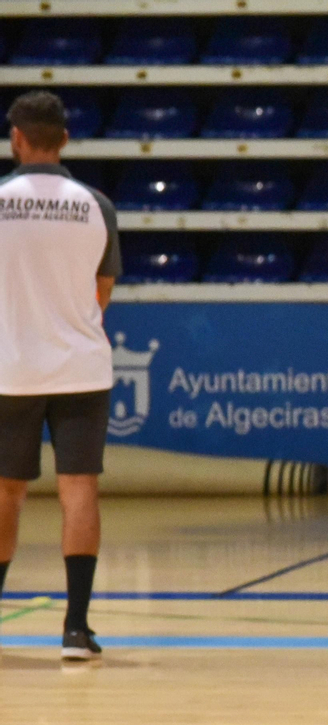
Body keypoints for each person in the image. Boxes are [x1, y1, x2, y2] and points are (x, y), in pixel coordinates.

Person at [0, 90, 122, 662]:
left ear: (16, 139)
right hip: (80, 365)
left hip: (10, 367)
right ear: (65, 140)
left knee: (6, 492)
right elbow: (103, 290)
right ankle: (76, 629)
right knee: (79, 489)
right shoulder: (95, 204)